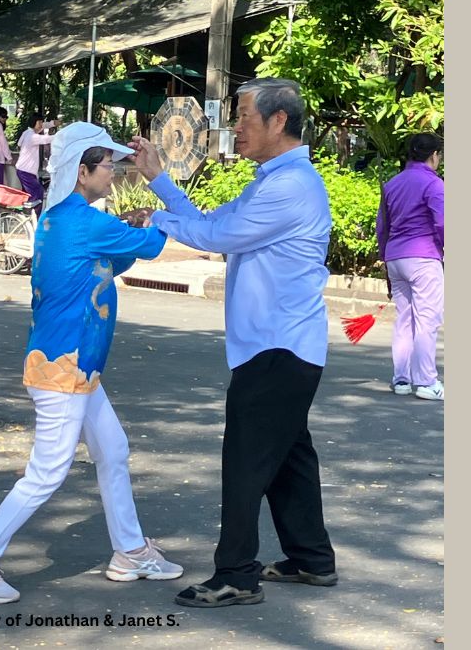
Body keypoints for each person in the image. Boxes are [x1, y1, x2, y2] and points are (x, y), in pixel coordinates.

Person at [0, 122, 183, 604]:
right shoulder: (85, 222)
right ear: (82, 171)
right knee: (46, 474)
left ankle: (130, 552)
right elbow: (152, 246)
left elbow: (113, 263)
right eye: (108, 165)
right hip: (64, 368)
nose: (114, 173)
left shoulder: (60, 217)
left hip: (76, 367)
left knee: (113, 451)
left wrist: (130, 228)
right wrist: (159, 213)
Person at [128, 77, 337, 608]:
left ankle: (236, 576)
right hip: (279, 347)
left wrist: (155, 218)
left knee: (245, 463)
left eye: (244, 116)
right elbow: (209, 222)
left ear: (279, 120)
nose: (235, 127)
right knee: (289, 459)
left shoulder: (291, 187)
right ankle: (311, 559)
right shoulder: (272, 181)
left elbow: (218, 237)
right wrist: (158, 179)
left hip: (278, 348)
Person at [376, 132, 445, 400]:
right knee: (427, 320)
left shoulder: (392, 184)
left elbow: (382, 226)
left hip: (396, 257)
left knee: (404, 320)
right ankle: (427, 381)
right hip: (424, 258)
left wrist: (386, 258)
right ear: (434, 155)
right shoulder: (434, 184)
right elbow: (442, 222)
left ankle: (401, 379)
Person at [14, 112, 55, 212]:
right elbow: (47, 139)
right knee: (37, 193)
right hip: (26, 171)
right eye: (39, 122)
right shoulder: (32, 136)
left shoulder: (26, 133)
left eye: (41, 122)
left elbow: (19, 144)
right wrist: (62, 135)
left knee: (28, 195)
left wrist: (52, 124)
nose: (41, 125)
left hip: (23, 170)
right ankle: (35, 216)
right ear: (33, 122)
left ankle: (25, 215)